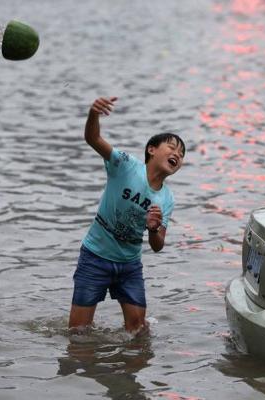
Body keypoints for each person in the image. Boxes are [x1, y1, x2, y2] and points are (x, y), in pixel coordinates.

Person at [68, 96, 186, 333]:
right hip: (95, 257)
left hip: (130, 265)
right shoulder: (126, 165)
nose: (178, 155)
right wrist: (93, 114)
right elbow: (93, 139)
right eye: (172, 147)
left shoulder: (167, 198)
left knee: (138, 330)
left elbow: (157, 245)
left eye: (182, 154)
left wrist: (153, 228)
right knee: (78, 332)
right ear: (151, 150)